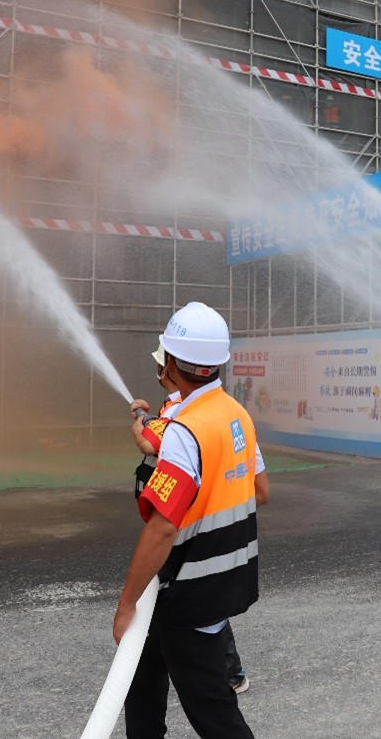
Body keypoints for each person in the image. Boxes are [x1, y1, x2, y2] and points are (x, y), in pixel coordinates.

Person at [114, 302, 269, 738]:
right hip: (214, 583)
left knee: (215, 715)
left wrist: (126, 604)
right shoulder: (236, 415)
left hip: (189, 591)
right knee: (141, 687)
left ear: (171, 366)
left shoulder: (185, 433)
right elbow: (260, 490)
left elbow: (163, 527)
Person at [131, 343, 254, 696]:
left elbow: (155, 442)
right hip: (207, 537)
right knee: (203, 611)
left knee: (197, 609)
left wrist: (144, 431)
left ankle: (229, 673)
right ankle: (225, 672)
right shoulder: (211, 411)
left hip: (188, 531)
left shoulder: (188, 418)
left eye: (161, 365)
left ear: (169, 368)